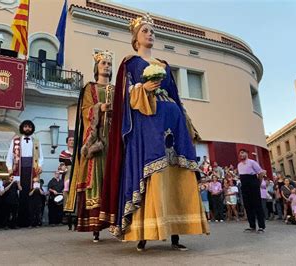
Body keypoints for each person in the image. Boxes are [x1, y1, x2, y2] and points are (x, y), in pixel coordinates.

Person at [105, 13, 208, 251]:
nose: (150, 34)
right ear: (135, 38)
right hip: (147, 121)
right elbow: (125, 97)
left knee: (176, 172)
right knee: (154, 171)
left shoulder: (164, 65)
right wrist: (144, 88)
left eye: (152, 31)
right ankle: (144, 232)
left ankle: (175, 232)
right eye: (145, 31)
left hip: (172, 119)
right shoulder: (129, 63)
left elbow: (175, 96)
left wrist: (185, 120)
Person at [64, 51, 115, 243]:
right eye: (103, 63)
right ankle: (95, 226)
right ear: (97, 67)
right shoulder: (89, 88)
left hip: (112, 139)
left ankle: (115, 221)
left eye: (109, 63)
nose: (107, 66)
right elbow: (84, 111)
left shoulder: (116, 88)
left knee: (113, 177)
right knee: (96, 179)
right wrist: (99, 108)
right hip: (96, 141)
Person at [6, 120, 43, 227]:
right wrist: (9, 168)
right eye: (26, 126)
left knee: (31, 194)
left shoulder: (36, 141)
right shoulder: (15, 141)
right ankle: (17, 221)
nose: (27, 128)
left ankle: (31, 221)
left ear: (32, 129)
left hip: (31, 170)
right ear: (22, 128)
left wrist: (40, 165)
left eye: (29, 127)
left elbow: (40, 156)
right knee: (19, 194)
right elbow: (9, 156)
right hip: (19, 170)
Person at [237, 149, 266, 233]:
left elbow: (261, 173)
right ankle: (252, 226)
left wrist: (258, 184)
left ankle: (261, 226)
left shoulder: (252, 162)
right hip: (244, 185)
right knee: (248, 206)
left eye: (242, 153)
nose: (241, 155)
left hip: (253, 183)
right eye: (240, 153)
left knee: (257, 205)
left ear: (247, 153)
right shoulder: (239, 165)